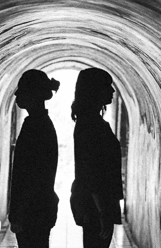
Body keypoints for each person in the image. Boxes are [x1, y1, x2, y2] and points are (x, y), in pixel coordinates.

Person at [70, 68, 123, 248]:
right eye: (107, 86)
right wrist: (103, 212)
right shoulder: (92, 126)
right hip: (97, 206)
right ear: (94, 90)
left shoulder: (87, 123)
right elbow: (93, 172)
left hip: (94, 204)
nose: (112, 91)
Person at [9, 69, 61, 248]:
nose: (16, 93)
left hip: (32, 212)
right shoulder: (40, 124)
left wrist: (18, 213)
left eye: (21, 88)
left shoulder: (35, 127)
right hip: (38, 209)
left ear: (33, 93)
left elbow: (31, 177)